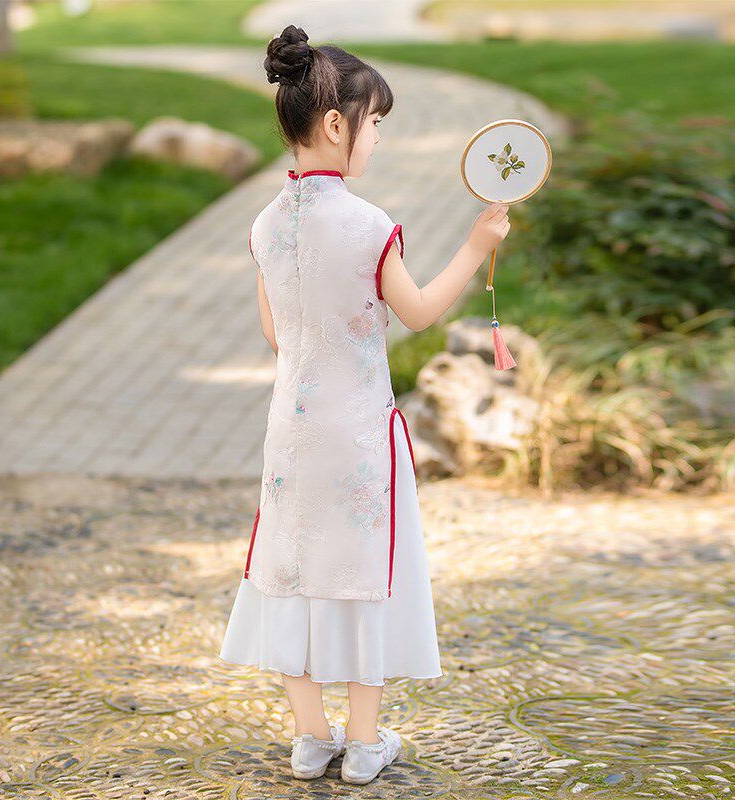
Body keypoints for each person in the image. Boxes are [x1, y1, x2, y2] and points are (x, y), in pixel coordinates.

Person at [218, 24, 510, 785]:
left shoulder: (264, 224)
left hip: (291, 430)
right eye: (375, 122)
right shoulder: (369, 225)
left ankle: (311, 738)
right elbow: (416, 313)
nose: (376, 137)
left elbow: (275, 331)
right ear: (338, 123)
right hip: (357, 433)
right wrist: (477, 247)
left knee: (290, 567)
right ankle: (365, 743)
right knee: (366, 574)